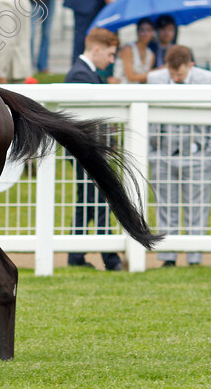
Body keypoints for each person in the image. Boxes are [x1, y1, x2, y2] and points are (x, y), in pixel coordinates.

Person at [148, 45, 211, 267]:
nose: (176, 78)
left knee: (197, 208)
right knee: (165, 206)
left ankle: (194, 258)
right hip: (164, 153)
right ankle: (168, 257)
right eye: (172, 74)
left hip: (197, 153)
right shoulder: (155, 79)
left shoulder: (207, 80)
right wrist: (152, 153)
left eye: (179, 74)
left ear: (190, 66)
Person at [65, 27, 124, 271]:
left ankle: (76, 256)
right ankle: (110, 258)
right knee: (97, 200)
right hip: (85, 150)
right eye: (110, 55)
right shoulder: (80, 75)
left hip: (87, 149)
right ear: (97, 49)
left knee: (89, 201)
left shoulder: (85, 73)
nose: (111, 61)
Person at [112, 18, 155, 84]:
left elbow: (144, 80)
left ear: (152, 32)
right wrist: (156, 72)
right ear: (137, 32)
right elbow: (131, 77)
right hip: (122, 87)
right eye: (142, 30)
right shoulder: (128, 49)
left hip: (138, 90)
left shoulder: (151, 54)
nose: (145, 33)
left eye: (148, 30)